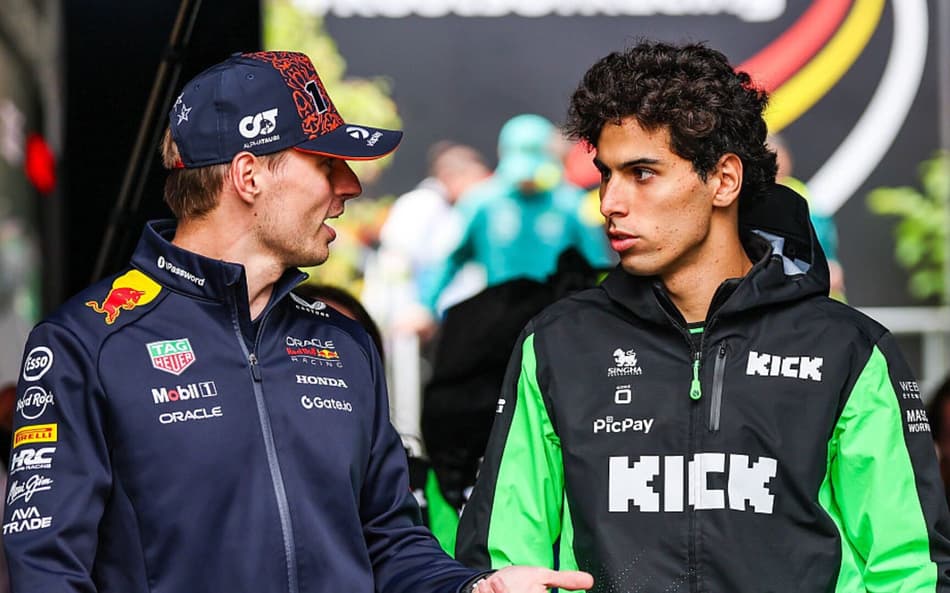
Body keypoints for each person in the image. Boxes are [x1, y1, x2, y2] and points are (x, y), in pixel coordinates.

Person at [1, 50, 593, 593]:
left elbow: (389, 543)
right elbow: (47, 571)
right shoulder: (88, 343)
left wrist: (473, 589)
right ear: (249, 176)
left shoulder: (344, 342)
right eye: (326, 163)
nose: (349, 186)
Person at [456, 40, 950, 592]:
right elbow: (503, 563)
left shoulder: (847, 349)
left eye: (642, 173)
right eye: (606, 175)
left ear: (723, 180)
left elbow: (910, 571)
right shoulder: (558, 343)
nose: (610, 202)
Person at [420, 114, 612, 315]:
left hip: (557, 318)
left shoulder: (570, 203)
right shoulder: (481, 203)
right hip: (500, 316)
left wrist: (605, 312)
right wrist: (424, 306)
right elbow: (450, 259)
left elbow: (598, 264)